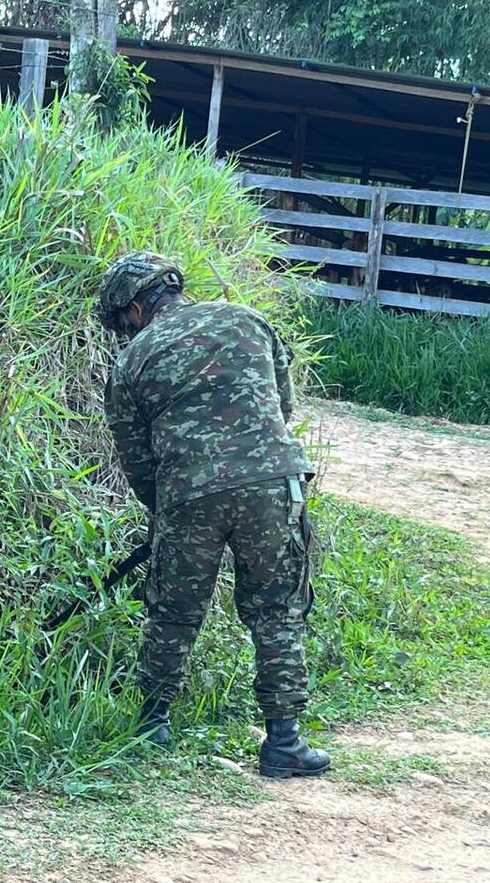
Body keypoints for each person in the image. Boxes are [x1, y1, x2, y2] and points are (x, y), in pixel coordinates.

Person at [97, 252, 330, 779]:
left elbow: (137, 459)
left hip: (187, 492)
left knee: (173, 611)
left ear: (135, 308)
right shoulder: (247, 320)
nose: (124, 332)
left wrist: (163, 510)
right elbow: (281, 406)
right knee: (278, 609)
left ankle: (152, 725)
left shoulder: (130, 361)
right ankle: (284, 742)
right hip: (272, 482)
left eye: (121, 322)